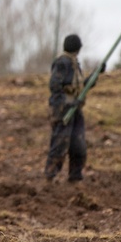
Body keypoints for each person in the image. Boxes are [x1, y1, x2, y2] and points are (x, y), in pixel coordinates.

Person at [45, 34, 87, 183]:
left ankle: (75, 177)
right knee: (59, 144)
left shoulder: (74, 63)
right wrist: (66, 104)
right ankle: (50, 177)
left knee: (78, 145)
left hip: (75, 110)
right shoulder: (63, 63)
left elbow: (79, 86)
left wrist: (95, 76)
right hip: (63, 111)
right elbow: (55, 86)